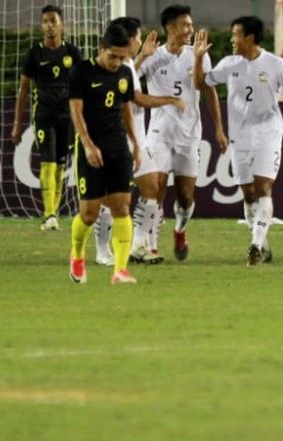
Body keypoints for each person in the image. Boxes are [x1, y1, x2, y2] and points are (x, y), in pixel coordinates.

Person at [193, 16, 283, 265]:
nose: (231, 39)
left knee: (263, 187)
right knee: (248, 195)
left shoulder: (275, 64)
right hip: (240, 136)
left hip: (269, 133)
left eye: (236, 35)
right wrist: (198, 57)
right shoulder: (229, 64)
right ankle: (263, 246)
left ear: (250, 38)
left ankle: (255, 245)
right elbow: (201, 84)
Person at [129, 4, 227, 264]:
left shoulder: (198, 54)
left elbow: (204, 88)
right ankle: (149, 245)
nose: (190, 30)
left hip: (189, 135)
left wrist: (218, 128)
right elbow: (128, 84)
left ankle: (180, 230)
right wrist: (141, 57)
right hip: (159, 134)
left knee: (185, 197)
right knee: (155, 189)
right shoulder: (152, 55)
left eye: (191, 25)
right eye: (185, 25)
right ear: (170, 27)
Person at [91, 17, 185, 267]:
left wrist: (143, 57)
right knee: (111, 197)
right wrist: (170, 100)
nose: (141, 41)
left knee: (152, 188)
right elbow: (138, 98)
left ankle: (139, 246)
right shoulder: (114, 66)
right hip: (117, 138)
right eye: (139, 37)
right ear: (131, 40)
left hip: (138, 139)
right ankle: (102, 250)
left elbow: (133, 79)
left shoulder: (130, 64)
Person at [67, 23, 143, 284]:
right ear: (101, 48)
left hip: (118, 148)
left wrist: (135, 143)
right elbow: (76, 112)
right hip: (92, 148)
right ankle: (77, 255)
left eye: (123, 57)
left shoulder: (124, 73)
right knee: (89, 213)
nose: (117, 62)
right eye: (113, 56)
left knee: (122, 206)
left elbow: (125, 110)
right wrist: (87, 144)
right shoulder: (81, 72)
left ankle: (120, 270)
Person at [11, 4, 82, 231]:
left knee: (61, 164)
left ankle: (54, 214)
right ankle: (48, 213)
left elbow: (83, 87)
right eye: (45, 22)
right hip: (44, 114)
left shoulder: (72, 53)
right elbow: (23, 90)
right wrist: (16, 124)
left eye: (53, 20)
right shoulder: (35, 55)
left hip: (67, 115)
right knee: (47, 161)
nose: (49, 25)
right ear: (42, 26)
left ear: (62, 24)